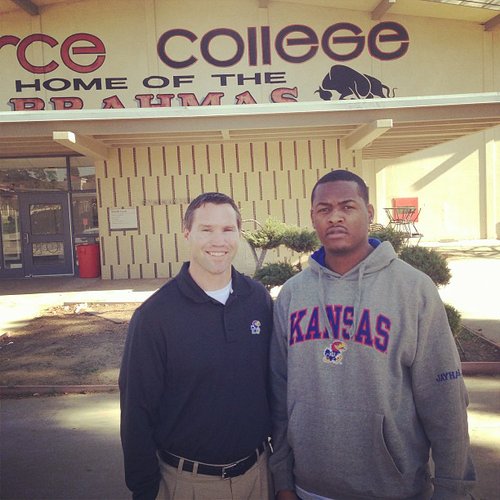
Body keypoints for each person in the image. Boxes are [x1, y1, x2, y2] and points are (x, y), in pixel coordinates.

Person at [269, 170, 476, 500]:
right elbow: (278, 393)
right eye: (324, 209)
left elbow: (445, 399)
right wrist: (282, 479)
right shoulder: (293, 295)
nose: (335, 216)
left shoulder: (413, 290)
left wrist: (453, 489)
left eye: (347, 206)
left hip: (393, 489)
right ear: (312, 217)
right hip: (307, 487)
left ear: (369, 212)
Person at [120, 192, 274, 500]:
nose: (218, 240)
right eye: (206, 229)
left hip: (258, 476)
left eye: (228, 229)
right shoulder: (154, 316)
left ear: (239, 234)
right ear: (187, 232)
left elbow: (273, 384)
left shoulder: (258, 301)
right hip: (187, 483)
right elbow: (136, 411)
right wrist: (144, 489)